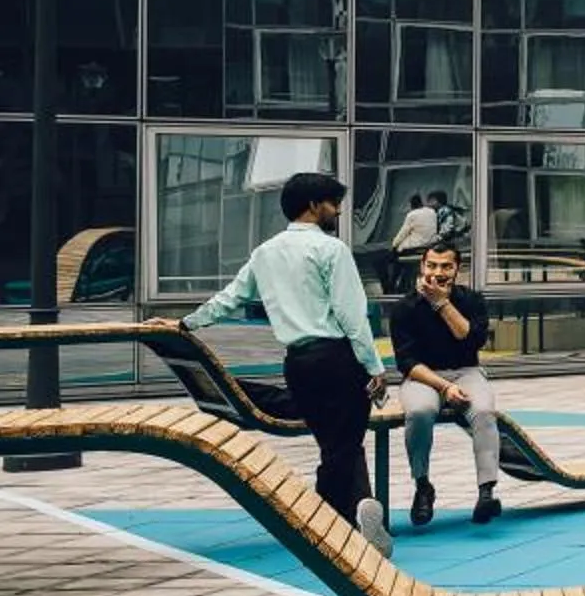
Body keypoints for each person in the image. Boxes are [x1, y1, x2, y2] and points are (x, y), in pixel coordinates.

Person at [160, 170, 392, 557]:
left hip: (298, 363)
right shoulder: (331, 250)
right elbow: (352, 316)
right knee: (342, 447)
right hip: (337, 359)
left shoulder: (265, 252)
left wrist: (185, 323)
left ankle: (356, 517)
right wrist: (375, 368)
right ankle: (329, 524)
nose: (337, 211)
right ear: (315, 206)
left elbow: (229, 299)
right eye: (333, 204)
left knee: (337, 444)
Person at [387, 242, 503, 529]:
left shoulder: (471, 300)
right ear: (422, 267)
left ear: (456, 270)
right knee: (420, 412)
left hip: (466, 371)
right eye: (432, 265)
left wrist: (442, 304)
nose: (438, 273)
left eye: (446, 266)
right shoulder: (405, 308)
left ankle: (486, 491)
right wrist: (444, 388)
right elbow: (407, 362)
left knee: (484, 411)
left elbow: (472, 339)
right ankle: (423, 485)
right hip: (424, 376)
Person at [386, 193, 440, 293]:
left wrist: (394, 245)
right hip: (429, 244)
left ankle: (392, 283)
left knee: (394, 256)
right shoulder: (432, 212)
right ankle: (403, 282)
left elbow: (403, 232)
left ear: (412, 204)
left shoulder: (412, 215)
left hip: (415, 246)